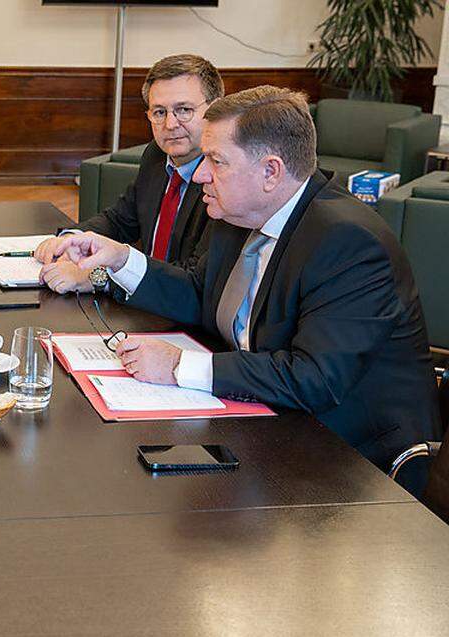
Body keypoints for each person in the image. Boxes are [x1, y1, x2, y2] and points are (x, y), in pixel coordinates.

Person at [44, 85, 441, 474]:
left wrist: (182, 367)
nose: (199, 174)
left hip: (350, 460)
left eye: (216, 161)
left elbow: (316, 378)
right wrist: (120, 259)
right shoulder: (238, 214)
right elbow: (200, 295)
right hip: (264, 419)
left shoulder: (347, 242)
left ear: (271, 171)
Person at [35, 54, 223, 293]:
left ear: (214, 110)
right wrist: (72, 238)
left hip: (182, 313)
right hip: (142, 306)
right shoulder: (156, 155)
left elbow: (191, 280)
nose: (170, 124)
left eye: (183, 110)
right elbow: (120, 220)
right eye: (159, 112)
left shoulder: (221, 178)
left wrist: (97, 278)